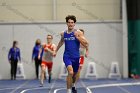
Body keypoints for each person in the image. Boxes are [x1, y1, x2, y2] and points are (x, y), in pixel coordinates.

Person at [54, 15, 89, 93]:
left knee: (75, 74)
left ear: (74, 24)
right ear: (67, 23)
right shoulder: (63, 33)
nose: (70, 24)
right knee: (70, 72)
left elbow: (86, 43)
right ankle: (68, 90)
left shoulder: (78, 32)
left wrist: (78, 38)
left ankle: (73, 84)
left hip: (76, 57)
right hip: (67, 56)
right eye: (69, 22)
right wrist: (55, 51)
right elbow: (61, 42)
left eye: (72, 22)